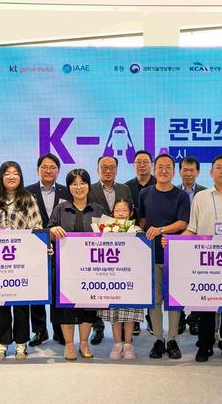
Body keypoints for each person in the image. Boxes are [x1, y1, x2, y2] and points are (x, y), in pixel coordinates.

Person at [0, 161, 43, 360]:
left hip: (22, 260)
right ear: (1, 177)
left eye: (15, 173)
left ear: (20, 177)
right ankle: (3, 342)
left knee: (22, 304)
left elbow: (37, 227)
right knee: (1, 303)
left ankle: (22, 343)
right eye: (7, 173)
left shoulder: (28, 199)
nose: (11, 177)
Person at [183, 154, 222, 363]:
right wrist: (173, 243)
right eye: (218, 167)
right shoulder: (200, 197)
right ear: (211, 172)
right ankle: (205, 345)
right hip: (206, 260)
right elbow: (192, 229)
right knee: (206, 305)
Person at [49, 169, 105, 360]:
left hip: (91, 269)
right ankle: (69, 345)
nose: (78, 187)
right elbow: (48, 232)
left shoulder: (98, 210)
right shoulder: (60, 209)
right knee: (66, 308)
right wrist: (53, 230)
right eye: (74, 184)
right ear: (69, 187)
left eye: (82, 183)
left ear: (89, 185)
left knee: (88, 307)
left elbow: (109, 237)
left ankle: (83, 342)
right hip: (65, 269)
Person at [139, 154, 190, 359]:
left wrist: (161, 230)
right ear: (154, 170)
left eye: (168, 167)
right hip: (151, 255)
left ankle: (173, 339)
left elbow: (183, 223)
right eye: (160, 166)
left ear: (174, 171)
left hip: (173, 255)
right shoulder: (145, 193)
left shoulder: (181, 196)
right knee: (155, 301)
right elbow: (142, 221)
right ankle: (159, 339)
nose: (163, 170)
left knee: (174, 301)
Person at [88, 156, 134, 345]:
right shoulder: (90, 189)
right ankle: (97, 328)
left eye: (112, 167)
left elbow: (130, 213)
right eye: (104, 167)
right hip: (100, 246)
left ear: (116, 169)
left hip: (123, 247)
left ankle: (125, 330)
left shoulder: (125, 189)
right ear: (97, 169)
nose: (108, 170)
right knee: (100, 289)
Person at [25, 153, 70, 346]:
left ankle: (59, 331)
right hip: (34, 248)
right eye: (44, 167)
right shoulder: (27, 192)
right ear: (38, 170)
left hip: (61, 248)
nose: (48, 170)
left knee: (58, 289)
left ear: (58, 171)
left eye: (53, 167)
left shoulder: (66, 192)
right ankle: (39, 331)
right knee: (36, 289)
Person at [98, 199, 145, 360]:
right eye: (117, 210)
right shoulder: (105, 230)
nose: (120, 214)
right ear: (112, 213)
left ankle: (128, 344)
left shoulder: (137, 230)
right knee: (114, 311)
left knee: (130, 311)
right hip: (111, 277)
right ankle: (117, 343)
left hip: (131, 278)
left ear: (130, 213)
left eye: (124, 210)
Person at [124, 150, 156, 336]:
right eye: (138, 162)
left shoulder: (160, 184)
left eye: (145, 162)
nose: (142, 165)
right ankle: (134, 320)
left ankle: (152, 320)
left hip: (154, 240)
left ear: (151, 164)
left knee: (152, 282)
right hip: (131, 243)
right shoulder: (126, 187)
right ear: (133, 165)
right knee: (134, 281)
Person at [178, 156, 207, 335]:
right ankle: (180, 317)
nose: (188, 173)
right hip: (179, 243)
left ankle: (195, 318)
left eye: (192, 170)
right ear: (179, 171)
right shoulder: (173, 192)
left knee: (198, 281)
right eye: (185, 170)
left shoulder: (205, 193)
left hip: (200, 245)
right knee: (179, 282)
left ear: (198, 172)